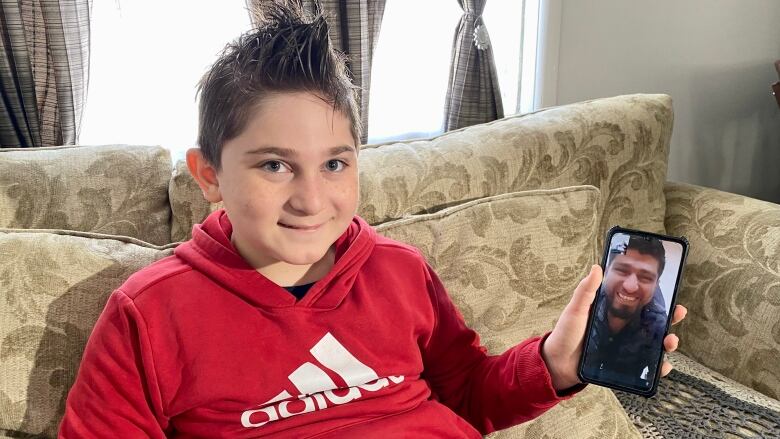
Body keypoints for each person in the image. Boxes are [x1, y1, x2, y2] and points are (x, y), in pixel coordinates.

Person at [58, 3, 686, 437]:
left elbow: (469, 395)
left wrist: (554, 363)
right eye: (275, 165)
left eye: (334, 163)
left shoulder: (399, 271)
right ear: (209, 176)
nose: (311, 199)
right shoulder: (150, 313)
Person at [582, 234, 671, 389]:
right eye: (622, 270)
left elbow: (653, 376)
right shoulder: (585, 304)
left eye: (645, 277)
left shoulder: (657, 323)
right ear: (607, 270)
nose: (630, 286)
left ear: (656, 284)